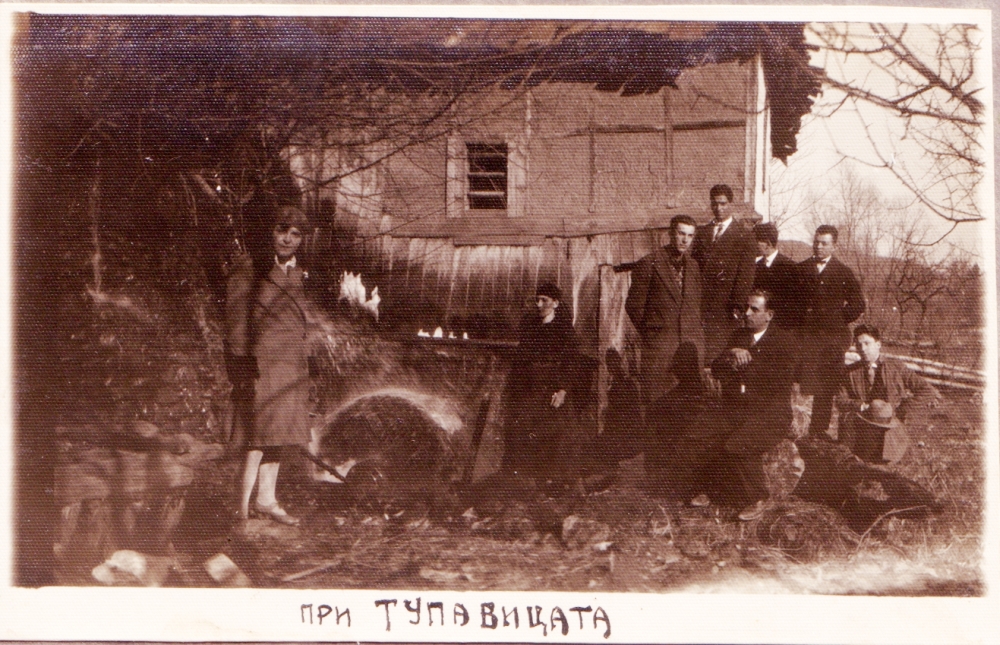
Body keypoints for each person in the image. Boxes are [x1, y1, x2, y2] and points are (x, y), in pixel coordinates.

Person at [673, 291, 797, 520]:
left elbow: (777, 382)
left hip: (770, 413)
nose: (746, 313)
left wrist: (747, 360)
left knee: (737, 444)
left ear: (769, 315)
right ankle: (709, 489)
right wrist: (731, 355)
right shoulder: (738, 336)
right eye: (746, 308)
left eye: (754, 309)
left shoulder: (783, 341)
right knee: (697, 435)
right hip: (736, 409)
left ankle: (758, 497)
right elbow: (717, 369)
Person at [238, 205, 317, 526]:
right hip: (262, 363)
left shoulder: (299, 273)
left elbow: (302, 322)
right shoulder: (251, 267)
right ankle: (240, 509)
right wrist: (243, 363)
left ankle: (266, 499)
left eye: (295, 234)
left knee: (279, 435)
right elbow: (236, 321)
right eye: (281, 230)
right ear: (270, 232)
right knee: (257, 438)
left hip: (291, 364)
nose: (287, 239)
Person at [502, 282, 584, 486]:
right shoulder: (531, 328)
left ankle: (556, 482)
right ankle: (529, 481)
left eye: (544, 300)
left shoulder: (564, 330)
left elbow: (572, 362)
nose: (539, 304)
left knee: (555, 435)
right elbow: (521, 360)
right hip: (530, 389)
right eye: (537, 300)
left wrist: (563, 390)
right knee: (525, 432)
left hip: (552, 390)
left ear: (555, 303)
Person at [624, 214, 705, 408]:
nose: (685, 240)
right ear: (670, 233)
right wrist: (653, 333)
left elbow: (695, 306)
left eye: (690, 235)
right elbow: (634, 306)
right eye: (681, 233)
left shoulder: (693, 266)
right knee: (658, 406)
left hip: (690, 351)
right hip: (660, 351)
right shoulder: (649, 263)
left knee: (689, 408)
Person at [796, 225, 865, 438]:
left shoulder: (843, 272)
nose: (818, 246)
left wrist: (837, 319)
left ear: (834, 246)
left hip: (831, 340)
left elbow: (858, 304)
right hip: (804, 336)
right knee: (798, 381)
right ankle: (792, 429)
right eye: (816, 242)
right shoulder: (800, 269)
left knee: (825, 386)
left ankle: (818, 431)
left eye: (824, 243)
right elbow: (788, 301)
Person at [837, 324, 940, 463]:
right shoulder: (849, 372)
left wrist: (902, 408)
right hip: (860, 431)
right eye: (858, 345)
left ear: (878, 344)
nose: (863, 349)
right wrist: (861, 406)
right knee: (856, 467)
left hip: (890, 431)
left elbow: (927, 390)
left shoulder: (896, 367)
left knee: (888, 467)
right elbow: (840, 401)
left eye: (867, 343)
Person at [691, 184, 757, 363]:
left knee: (721, 355)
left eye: (723, 204)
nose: (718, 208)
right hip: (702, 304)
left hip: (725, 307)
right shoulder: (702, 233)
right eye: (715, 204)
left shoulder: (744, 236)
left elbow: (746, 276)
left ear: (731, 204)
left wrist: (737, 306)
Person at [751, 222, 798, 327]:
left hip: (780, 325)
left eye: (756, 241)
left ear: (768, 244)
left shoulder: (790, 267)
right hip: (759, 325)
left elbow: (792, 303)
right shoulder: (755, 266)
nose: (753, 245)